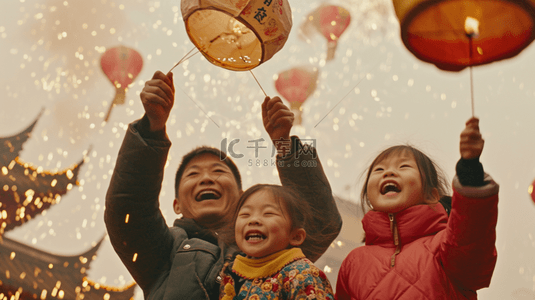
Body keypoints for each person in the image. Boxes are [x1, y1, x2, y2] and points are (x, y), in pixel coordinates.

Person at [104, 71, 342, 300]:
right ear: (176, 205)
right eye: (193, 174)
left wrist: (285, 146)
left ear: (241, 197)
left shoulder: (273, 245)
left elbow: (321, 223)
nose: (206, 179)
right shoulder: (163, 253)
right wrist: (151, 129)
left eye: (218, 171)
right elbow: (128, 209)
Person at [336, 117, 499, 299]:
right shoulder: (354, 262)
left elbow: (471, 241)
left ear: (431, 195)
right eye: (379, 170)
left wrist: (470, 173)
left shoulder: (444, 247)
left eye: (404, 166)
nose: (389, 172)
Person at [218, 184, 334, 300]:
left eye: (268, 213)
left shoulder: (303, 274)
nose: (253, 220)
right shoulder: (230, 271)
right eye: (245, 214)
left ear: (296, 236)